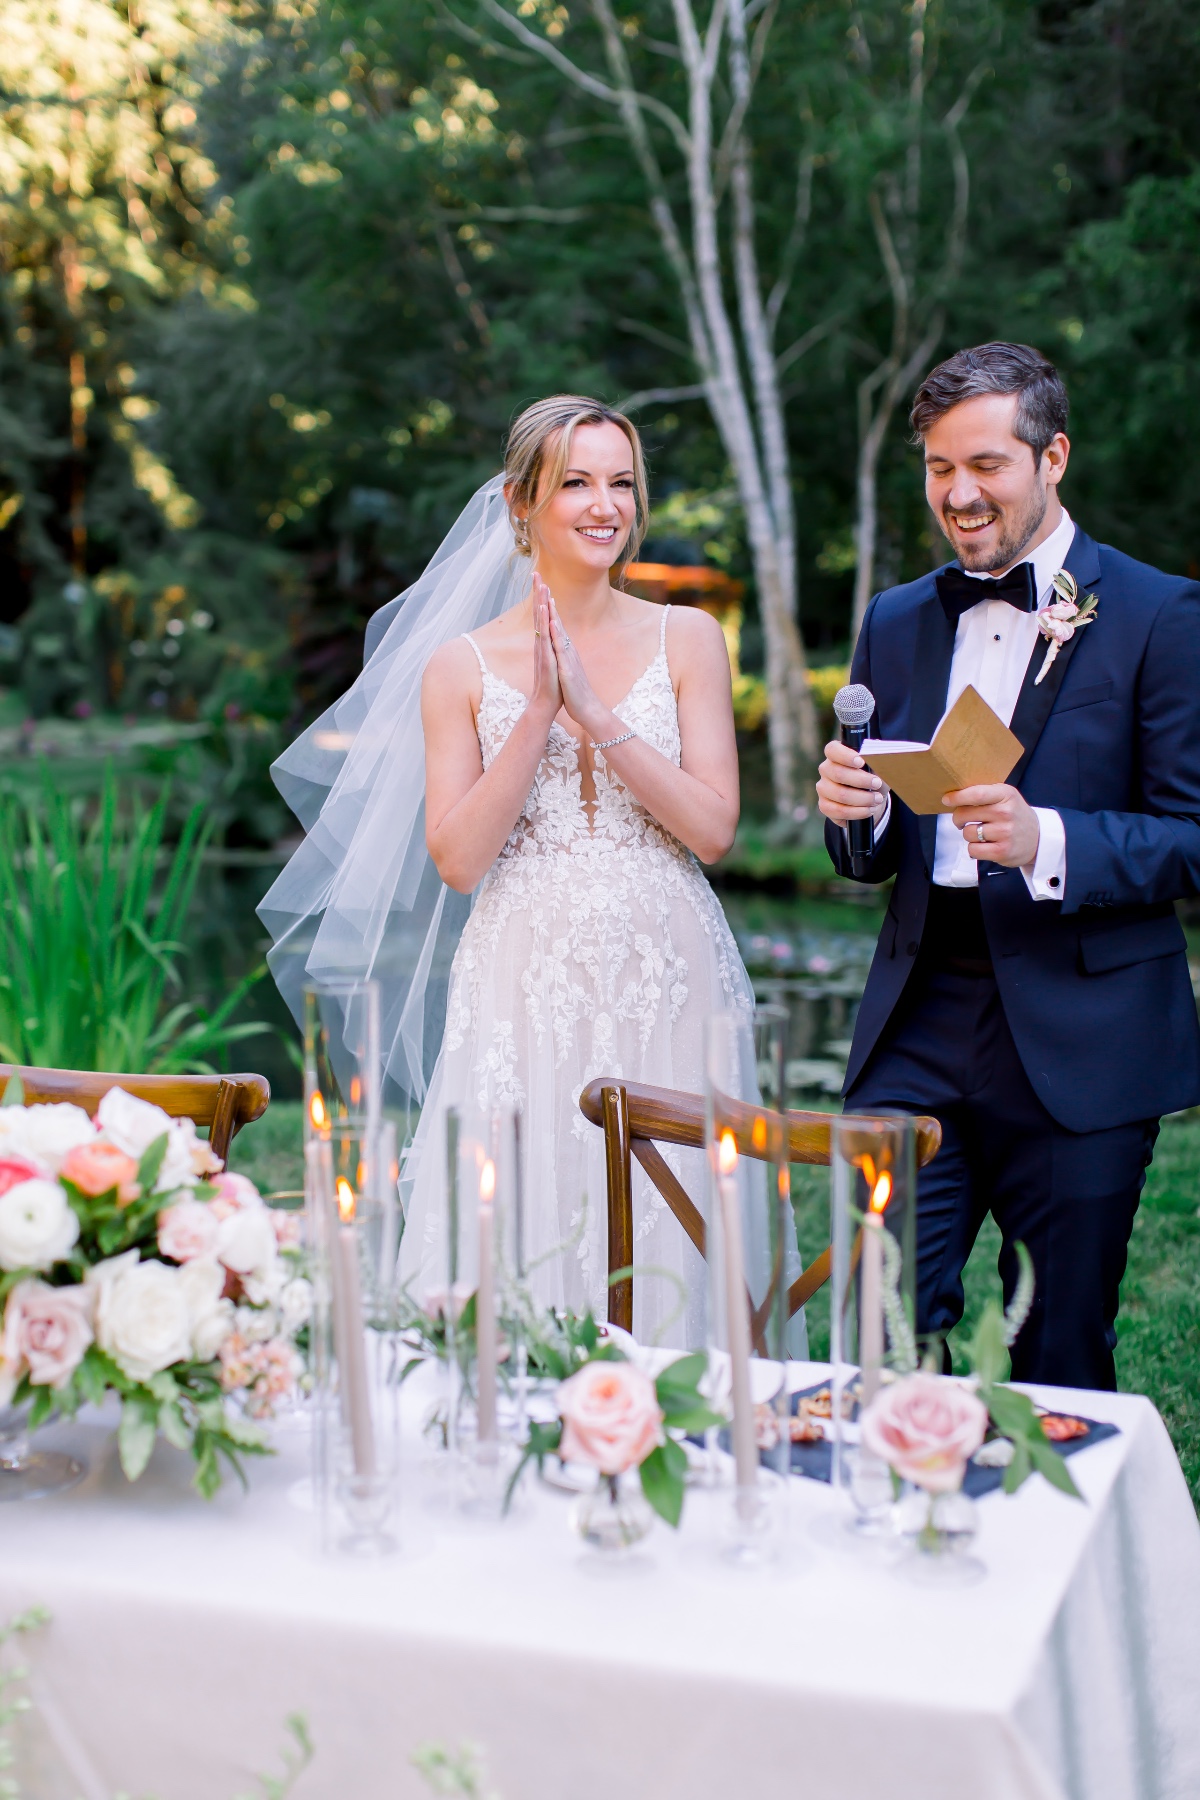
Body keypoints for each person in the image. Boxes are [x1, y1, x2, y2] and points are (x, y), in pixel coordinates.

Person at [260, 394, 758, 1343]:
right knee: (523, 1200)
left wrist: (600, 719)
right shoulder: (456, 667)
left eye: (621, 482)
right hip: (521, 975)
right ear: (521, 501)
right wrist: (536, 712)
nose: (604, 504)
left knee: (677, 1207)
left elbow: (714, 830)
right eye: (576, 482)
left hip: (669, 969)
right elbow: (457, 858)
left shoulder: (686, 637)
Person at [817, 341, 1200, 1390]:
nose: (958, 492)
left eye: (985, 464)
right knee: (882, 1332)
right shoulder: (895, 620)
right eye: (940, 467)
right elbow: (873, 847)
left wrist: (1051, 842)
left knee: (1058, 1353)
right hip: (917, 1018)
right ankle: (900, 1532)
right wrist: (854, 817)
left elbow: (1192, 832)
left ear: (1053, 456)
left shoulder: (1162, 614)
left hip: (1085, 1033)